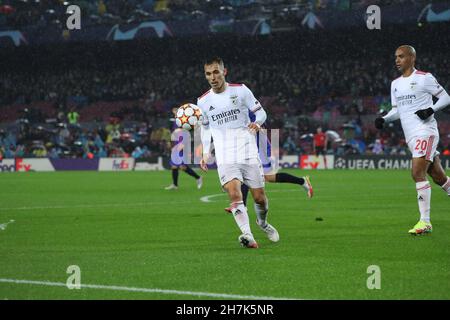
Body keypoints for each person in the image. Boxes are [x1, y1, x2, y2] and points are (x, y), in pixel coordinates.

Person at [198, 57, 278, 249]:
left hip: (247, 150)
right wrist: (206, 151)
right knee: (234, 194)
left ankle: (263, 223)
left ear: (224, 72)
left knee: (259, 197)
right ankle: (247, 235)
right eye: (209, 73)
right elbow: (206, 128)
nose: (213, 77)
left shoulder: (241, 90)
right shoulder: (203, 101)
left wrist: (257, 123)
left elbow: (261, 113)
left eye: (216, 72)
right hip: (225, 155)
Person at [375, 45, 450, 235]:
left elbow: (446, 98)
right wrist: (384, 119)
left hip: (426, 131)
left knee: (417, 172)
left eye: (401, 56)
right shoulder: (395, 84)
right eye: (396, 57)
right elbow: (397, 111)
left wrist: (430, 110)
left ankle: (425, 222)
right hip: (411, 136)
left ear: (412, 57)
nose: (397, 60)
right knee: (438, 177)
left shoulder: (425, 78)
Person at [223, 111, 313, 212]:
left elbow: (259, 126)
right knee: (266, 177)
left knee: (252, 174)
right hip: (251, 148)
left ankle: (242, 206)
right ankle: (302, 181)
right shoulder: (239, 110)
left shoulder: (247, 110)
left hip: (258, 148)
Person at [165, 107, 203, 190]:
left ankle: (198, 178)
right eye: (174, 110)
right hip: (176, 144)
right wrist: (170, 142)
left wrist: (181, 145)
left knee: (181, 166)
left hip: (182, 145)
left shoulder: (184, 120)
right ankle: (175, 185)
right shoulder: (174, 122)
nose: (175, 112)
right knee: (176, 166)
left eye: (176, 110)